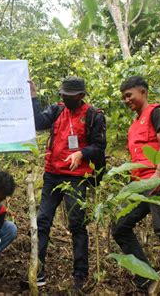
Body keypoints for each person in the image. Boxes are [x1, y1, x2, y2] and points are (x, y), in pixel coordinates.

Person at [25, 77, 106, 291]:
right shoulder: (57, 110)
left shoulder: (93, 116)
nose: (64, 98)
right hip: (52, 174)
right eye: (62, 94)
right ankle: (38, 272)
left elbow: (99, 146)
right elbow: (37, 123)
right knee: (42, 221)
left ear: (81, 96)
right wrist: (33, 97)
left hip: (76, 176)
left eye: (69, 96)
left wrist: (82, 152)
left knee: (76, 224)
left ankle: (80, 275)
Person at [112, 76, 160, 294]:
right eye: (123, 97)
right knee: (120, 227)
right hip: (140, 184)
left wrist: (159, 175)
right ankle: (149, 280)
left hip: (158, 180)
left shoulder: (157, 112)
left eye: (129, 95)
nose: (126, 100)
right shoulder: (135, 123)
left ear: (142, 92)